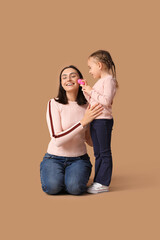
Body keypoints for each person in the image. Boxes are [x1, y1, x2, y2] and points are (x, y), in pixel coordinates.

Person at [40, 65, 103, 195]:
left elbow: (89, 140)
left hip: (79, 159)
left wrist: (103, 131)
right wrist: (83, 122)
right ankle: (59, 177)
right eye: (64, 77)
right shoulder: (54, 103)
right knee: (52, 188)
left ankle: (70, 178)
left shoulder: (88, 105)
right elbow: (57, 139)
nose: (68, 79)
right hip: (54, 158)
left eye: (73, 75)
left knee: (75, 189)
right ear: (61, 83)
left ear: (80, 80)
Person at [80, 50, 118, 194]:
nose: (89, 71)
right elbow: (94, 101)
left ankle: (103, 183)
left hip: (103, 121)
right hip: (96, 120)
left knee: (104, 152)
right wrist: (86, 90)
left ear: (100, 65)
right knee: (98, 153)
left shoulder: (109, 81)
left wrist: (91, 90)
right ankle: (98, 181)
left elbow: (107, 102)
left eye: (90, 67)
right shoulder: (100, 82)